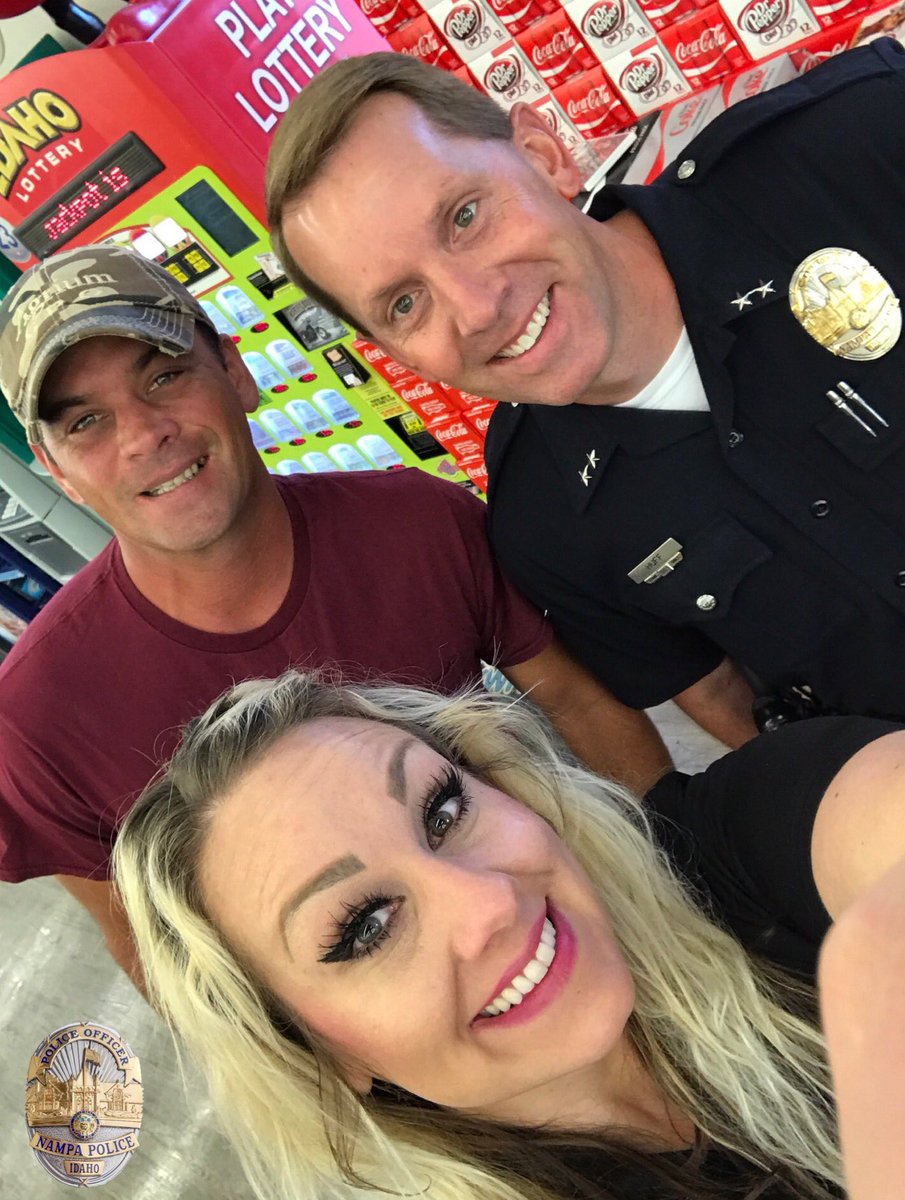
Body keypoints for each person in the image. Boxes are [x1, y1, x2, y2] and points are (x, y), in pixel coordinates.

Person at [0, 244, 670, 987]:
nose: (141, 433)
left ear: (236, 371)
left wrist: (674, 890)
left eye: (164, 375)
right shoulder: (37, 717)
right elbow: (152, 951)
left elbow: (577, 701)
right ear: (54, 466)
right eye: (85, 422)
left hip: (545, 920)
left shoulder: (418, 523)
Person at [265, 37, 905, 750]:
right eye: (404, 304)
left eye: (465, 218)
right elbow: (728, 706)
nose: (476, 309)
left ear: (544, 154)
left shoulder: (858, 142)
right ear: (390, 354)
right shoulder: (543, 527)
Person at [113, 669, 905, 1200]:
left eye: (443, 813)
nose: (485, 905)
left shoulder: (730, 851)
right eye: (365, 926)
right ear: (310, 1049)